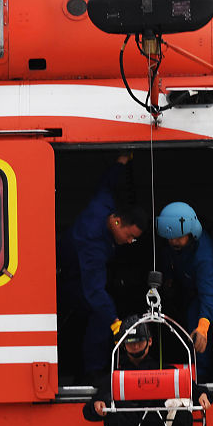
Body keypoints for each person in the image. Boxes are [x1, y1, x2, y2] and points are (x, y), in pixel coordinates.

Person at [57, 155, 149, 382]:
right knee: (101, 314)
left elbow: (106, 185)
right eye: (129, 237)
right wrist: (115, 322)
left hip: (84, 270)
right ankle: (94, 372)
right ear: (117, 222)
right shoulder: (93, 244)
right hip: (68, 277)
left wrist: (121, 162)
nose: (129, 242)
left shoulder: (105, 205)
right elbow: (94, 290)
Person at [83, 316, 211, 426]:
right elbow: (89, 410)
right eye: (131, 343)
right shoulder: (116, 378)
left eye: (139, 342)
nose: (136, 347)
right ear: (123, 345)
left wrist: (203, 395)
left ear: (149, 341)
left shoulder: (165, 371)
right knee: (114, 407)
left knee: (181, 404)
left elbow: (193, 389)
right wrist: (97, 407)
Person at [155, 201, 213, 382]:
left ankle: (201, 377)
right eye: (170, 238)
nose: (173, 241)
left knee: (197, 329)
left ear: (191, 233)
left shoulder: (204, 255)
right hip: (182, 292)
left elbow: (210, 292)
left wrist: (203, 326)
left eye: (178, 237)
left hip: (200, 296)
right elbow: (168, 258)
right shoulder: (173, 245)